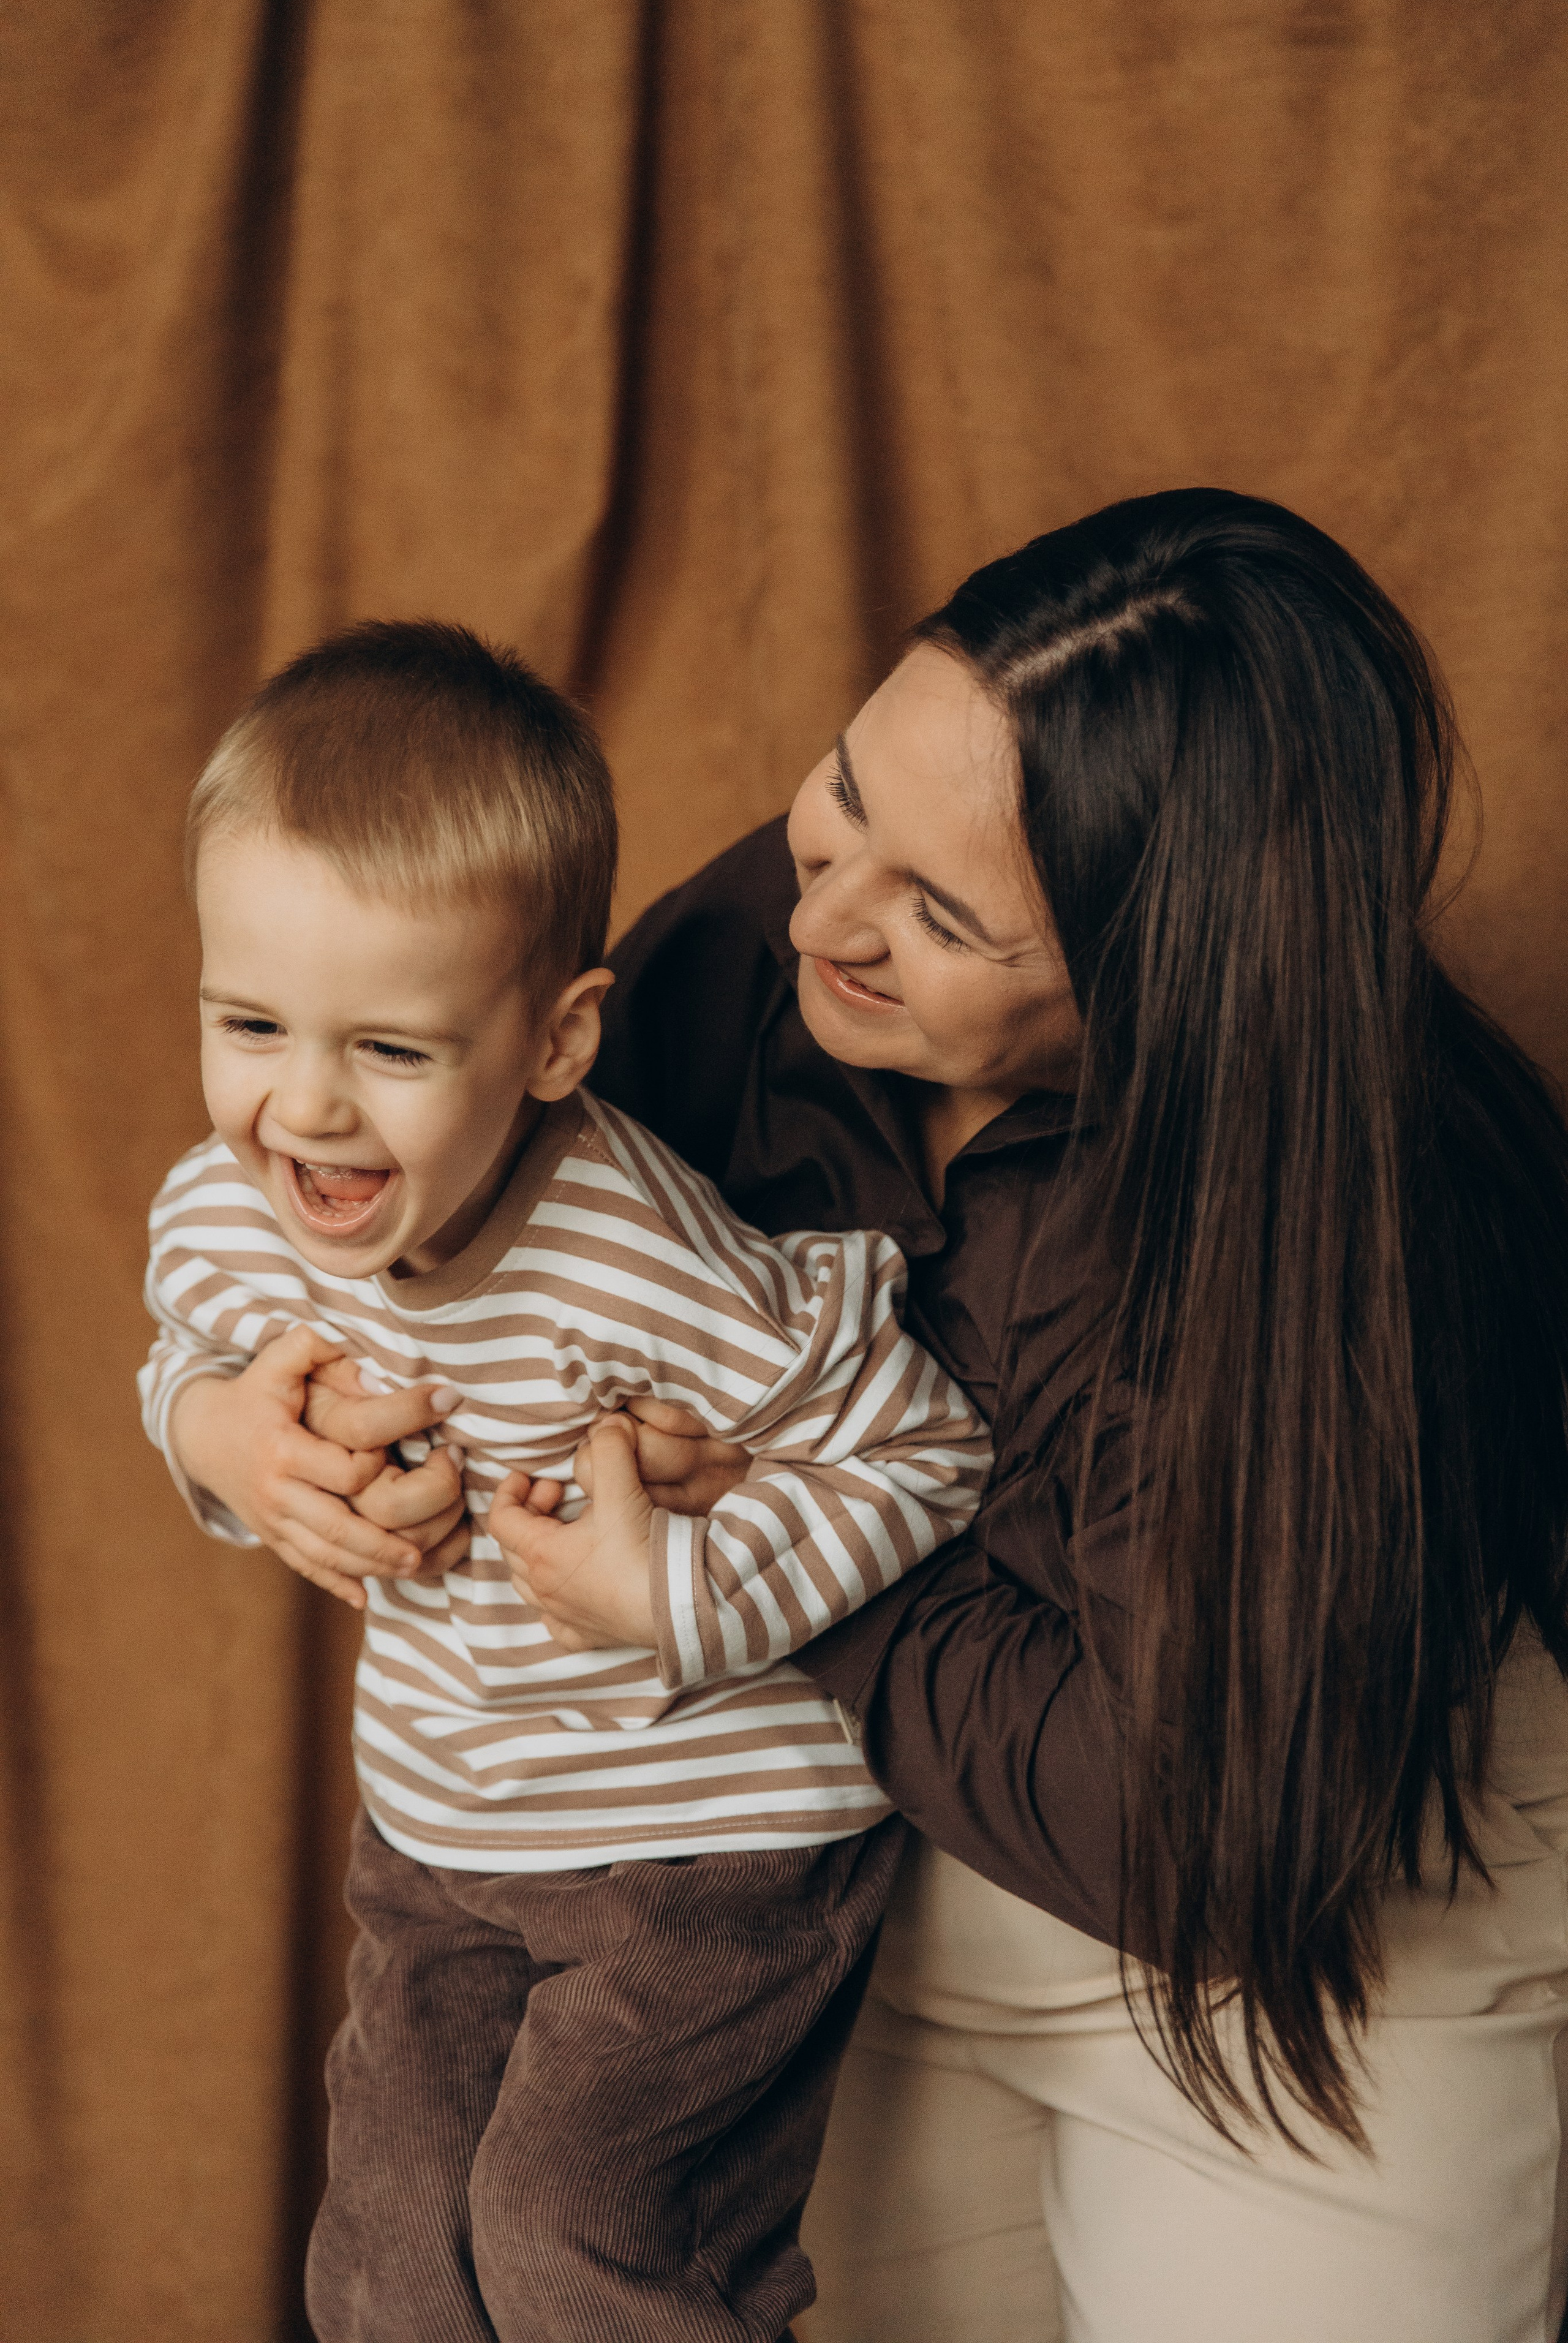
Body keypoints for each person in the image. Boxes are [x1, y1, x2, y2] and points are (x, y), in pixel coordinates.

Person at [172, 493, 1568, 2343]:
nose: (817, 913)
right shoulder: (762, 948)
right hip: (842, 1884)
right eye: (846, 802)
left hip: (1301, 1951)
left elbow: (1193, 1828)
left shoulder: (1377, 1233)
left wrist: (737, 1566)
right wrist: (245, 1435)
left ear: (1164, 975)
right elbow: (476, 1241)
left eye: (939, 913)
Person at [139, 619, 992, 2343]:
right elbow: (188, 1338)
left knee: (574, 2242)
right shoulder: (234, 1199)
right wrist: (228, 1441)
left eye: (392, 1051)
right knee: (381, 2258)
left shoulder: (635, 1259)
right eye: (250, 1023)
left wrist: (668, 1591)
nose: (304, 1112)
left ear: (553, 1042)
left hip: (707, 1843)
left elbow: (923, 1441)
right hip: (449, 1823)